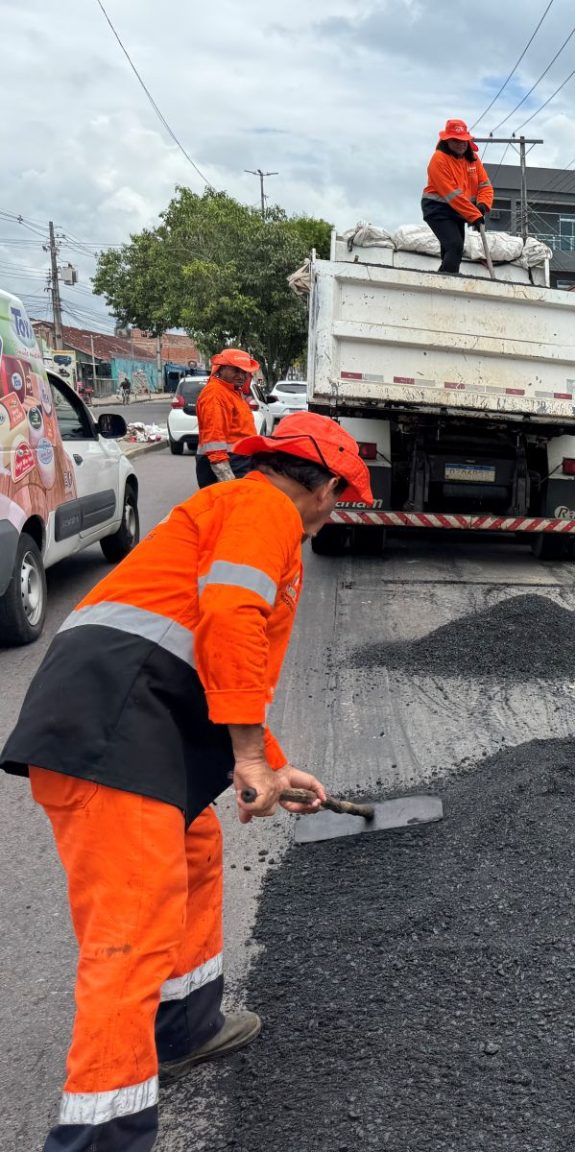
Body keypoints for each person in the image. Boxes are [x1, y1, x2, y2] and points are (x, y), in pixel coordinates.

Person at [3, 412, 373, 1152]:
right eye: (340, 498)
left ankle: (184, 1027)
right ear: (325, 484)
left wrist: (269, 757)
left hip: (136, 715)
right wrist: (246, 762)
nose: (334, 514)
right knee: (129, 938)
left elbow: (214, 653)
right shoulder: (264, 510)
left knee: (197, 851)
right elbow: (231, 618)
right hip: (112, 723)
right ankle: (99, 1139)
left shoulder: (237, 509)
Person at [421, 118, 494, 275]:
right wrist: (474, 215)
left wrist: (482, 204)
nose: (460, 144)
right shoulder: (439, 159)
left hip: (459, 209)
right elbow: (451, 194)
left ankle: (446, 277)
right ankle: (446, 280)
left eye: (463, 141)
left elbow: (485, 186)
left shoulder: (473, 160)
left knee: (452, 249)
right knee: (455, 245)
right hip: (437, 207)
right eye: (455, 140)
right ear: (446, 141)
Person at [196, 349, 260, 489]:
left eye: (244, 372)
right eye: (236, 370)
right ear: (222, 368)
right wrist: (228, 481)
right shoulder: (215, 393)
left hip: (237, 461)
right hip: (227, 463)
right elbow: (214, 441)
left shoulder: (231, 391)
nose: (241, 375)